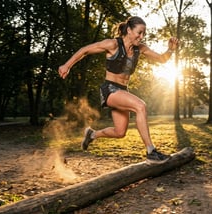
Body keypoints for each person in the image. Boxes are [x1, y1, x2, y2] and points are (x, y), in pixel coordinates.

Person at [58, 16, 179, 164]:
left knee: (120, 132)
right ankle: (151, 151)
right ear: (129, 30)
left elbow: (161, 59)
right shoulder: (113, 44)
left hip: (122, 91)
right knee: (141, 106)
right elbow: (85, 50)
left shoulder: (139, 49)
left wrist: (170, 50)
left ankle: (92, 134)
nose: (141, 37)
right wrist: (67, 65)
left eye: (143, 34)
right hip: (109, 89)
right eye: (139, 33)